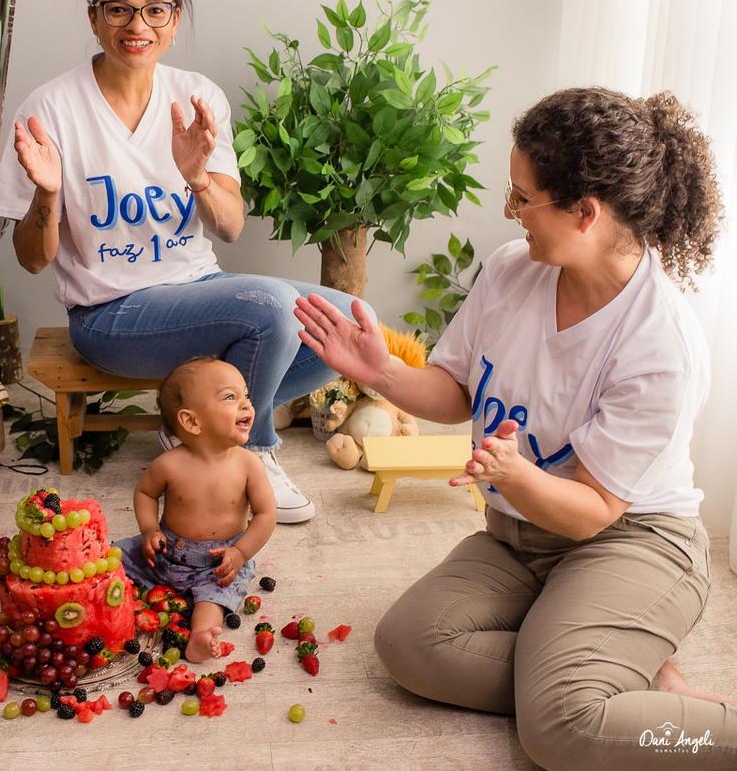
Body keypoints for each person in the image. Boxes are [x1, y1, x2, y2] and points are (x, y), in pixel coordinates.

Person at [294, 87, 736, 770]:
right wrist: (381, 371)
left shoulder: (659, 345)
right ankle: (611, 668)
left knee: (560, 730)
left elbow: (592, 511)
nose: (511, 211)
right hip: (519, 537)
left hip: (630, 541)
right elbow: (458, 393)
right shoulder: (511, 269)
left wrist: (514, 474)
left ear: (585, 213)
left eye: (523, 197)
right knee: (409, 645)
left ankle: (610, 691)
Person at [0, 0, 369, 524]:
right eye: (118, 9)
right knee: (272, 307)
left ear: (173, 20)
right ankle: (250, 455)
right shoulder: (51, 109)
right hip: (110, 314)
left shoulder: (196, 97)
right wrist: (47, 195)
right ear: (94, 17)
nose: (137, 25)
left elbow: (230, 226)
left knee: (350, 322)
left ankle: (197, 432)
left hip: (197, 289)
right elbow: (32, 261)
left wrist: (198, 178)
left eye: (155, 10)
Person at [116, 357, 275, 661]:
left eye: (246, 395)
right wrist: (149, 530)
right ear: (191, 421)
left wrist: (240, 553)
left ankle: (200, 635)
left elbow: (266, 514)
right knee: (113, 557)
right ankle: (95, 597)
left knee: (214, 597)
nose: (246, 404)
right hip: (163, 553)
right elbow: (145, 493)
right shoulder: (168, 464)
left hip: (218, 563)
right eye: (230, 397)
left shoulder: (249, 465)